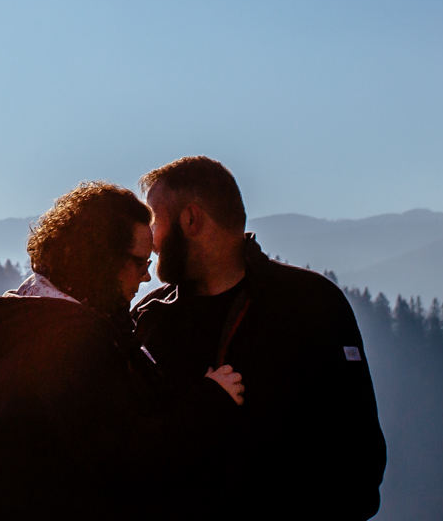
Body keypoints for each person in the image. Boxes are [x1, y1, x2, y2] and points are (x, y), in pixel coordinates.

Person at [0, 181, 243, 520]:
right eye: (140, 262)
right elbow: (128, 456)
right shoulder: (66, 342)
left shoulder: (36, 318)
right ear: (101, 260)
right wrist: (211, 401)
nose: (147, 276)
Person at [133, 156, 387, 520]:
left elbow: (357, 454)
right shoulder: (150, 318)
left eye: (154, 220)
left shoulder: (310, 305)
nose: (149, 239)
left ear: (191, 219)